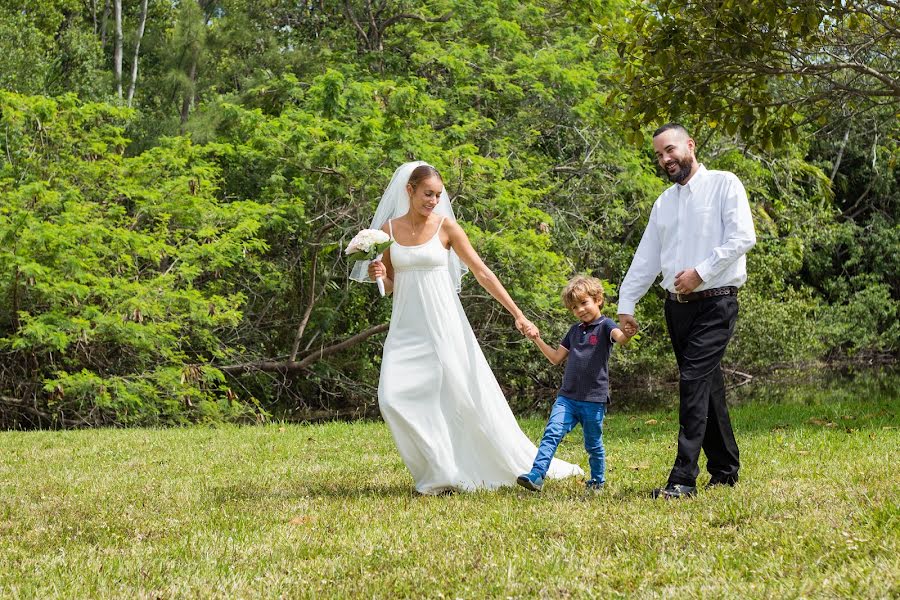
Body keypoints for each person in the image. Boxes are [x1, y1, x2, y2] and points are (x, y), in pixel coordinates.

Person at [351, 161, 583, 494]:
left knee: (462, 398)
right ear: (409, 190)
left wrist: (517, 313)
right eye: (427, 194)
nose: (433, 200)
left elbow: (482, 273)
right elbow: (391, 286)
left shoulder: (447, 228)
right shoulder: (387, 230)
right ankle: (439, 464)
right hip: (407, 326)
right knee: (391, 397)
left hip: (445, 324)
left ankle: (447, 474)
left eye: (438, 195)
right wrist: (380, 276)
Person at [617, 123, 756, 499]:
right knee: (707, 387)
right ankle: (725, 469)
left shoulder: (725, 184)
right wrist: (626, 305)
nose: (665, 159)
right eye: (659, 155)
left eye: (671, 150)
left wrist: (701, 272)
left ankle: (682, 479)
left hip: (716, 301)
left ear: (690, 146)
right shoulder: (664, 203)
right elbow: (645, 259)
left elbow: (744, 237)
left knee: (693, 382)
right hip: (676, 309)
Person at [516, 276, 631, 493]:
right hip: (567, 398)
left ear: (597, 299)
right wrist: (537, 339)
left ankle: (597, 481)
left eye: (584, 303)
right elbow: (555, 358)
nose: (580, 310)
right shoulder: (574, 330)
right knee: (552, 433)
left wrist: (627, 332)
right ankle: (537, 475)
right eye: (574, 307)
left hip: (593, 400)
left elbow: (620, 337)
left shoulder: (606, 325)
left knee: (593, 444)